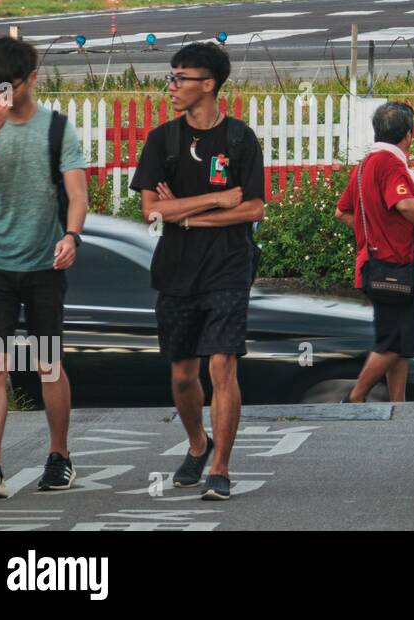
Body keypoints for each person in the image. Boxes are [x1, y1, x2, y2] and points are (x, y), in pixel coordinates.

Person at [129, 41, 265, 502]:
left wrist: (182, 214)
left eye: (179, 78)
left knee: (222, 364)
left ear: (207, 85)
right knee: (184, 373)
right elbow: (151, 210)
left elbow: (252, 209)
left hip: (228, 265)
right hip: (176, 270)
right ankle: (197, 444)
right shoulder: (161, 140)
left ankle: (222, 467)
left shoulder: (240, 139)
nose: (171, 86)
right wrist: (213, 199)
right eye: (171, 77)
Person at [0, 37, 88, 499]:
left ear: (33, 78)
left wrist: (71, 236)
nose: (5, 95)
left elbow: (77, 192)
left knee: (49, 364)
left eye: (12, 86)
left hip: (44, 266)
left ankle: (60, 456)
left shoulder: (57, 129)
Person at [335, 102, 414, 403]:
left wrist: (370, 232)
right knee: (392, 341)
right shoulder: (390, 164)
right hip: (393, 267)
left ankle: (398, 405)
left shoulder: (364, 166)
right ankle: (356, 397)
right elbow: (405, 204)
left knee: (401, 342)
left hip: (375, 265)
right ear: (409, 136)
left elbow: (342, 212)